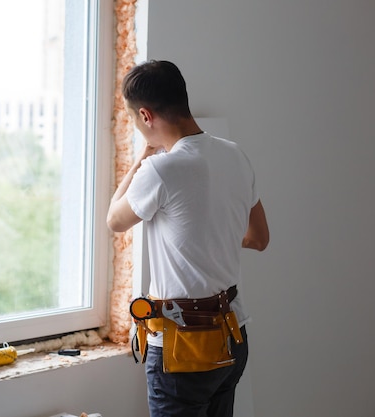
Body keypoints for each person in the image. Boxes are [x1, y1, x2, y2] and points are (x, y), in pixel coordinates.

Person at [107, 60, 269, 417]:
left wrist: (141, 160)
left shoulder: (160, 169)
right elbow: (258, 238)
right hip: (233, 334)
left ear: (146, 116)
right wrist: (214, 236)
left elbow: (114, 219)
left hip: (184, 348)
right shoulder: (235, 155)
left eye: (135, 119)